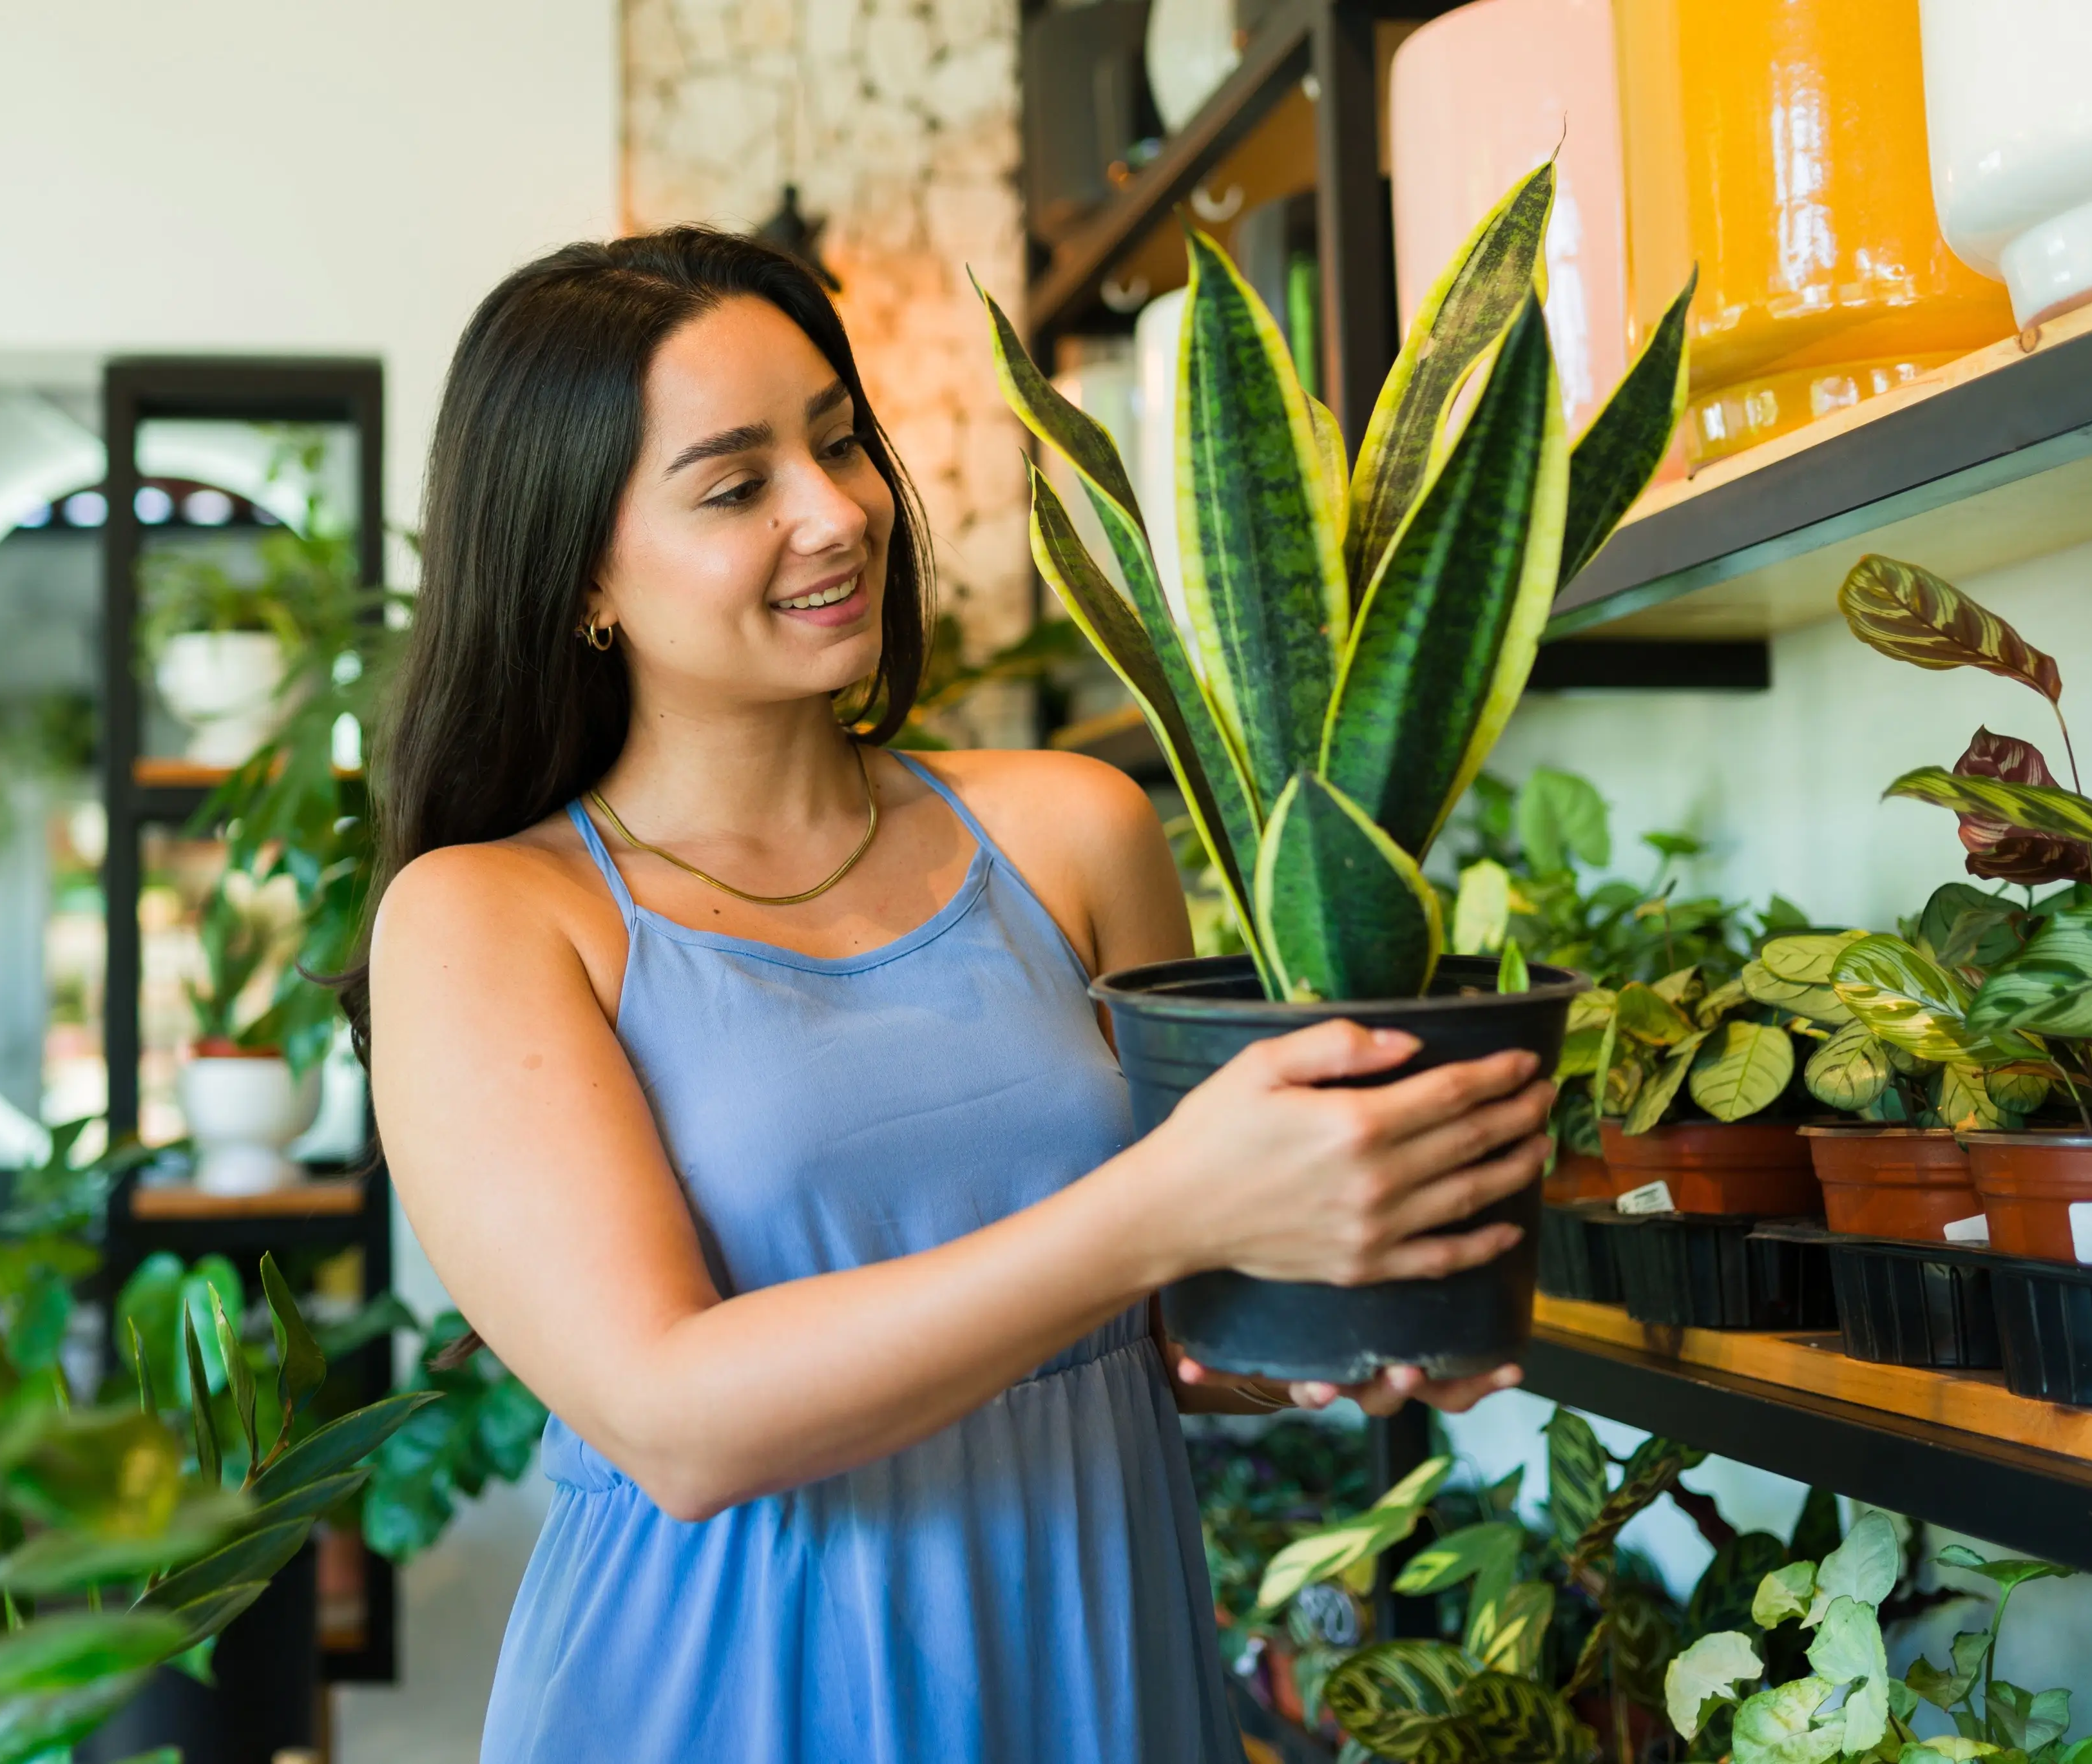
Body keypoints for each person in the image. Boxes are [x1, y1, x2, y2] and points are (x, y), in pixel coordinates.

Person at [356, 229, 1552, 1761]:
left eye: (837, 439)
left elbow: (1152, 1326)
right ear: (581, 570)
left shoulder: (1070, 829)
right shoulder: (486, 916)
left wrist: (1337, 1314)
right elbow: (676, 1419)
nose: (835, 512)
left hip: (1090, 1643)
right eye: (735, 487)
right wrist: (1169, 1209)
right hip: (728, 1686)